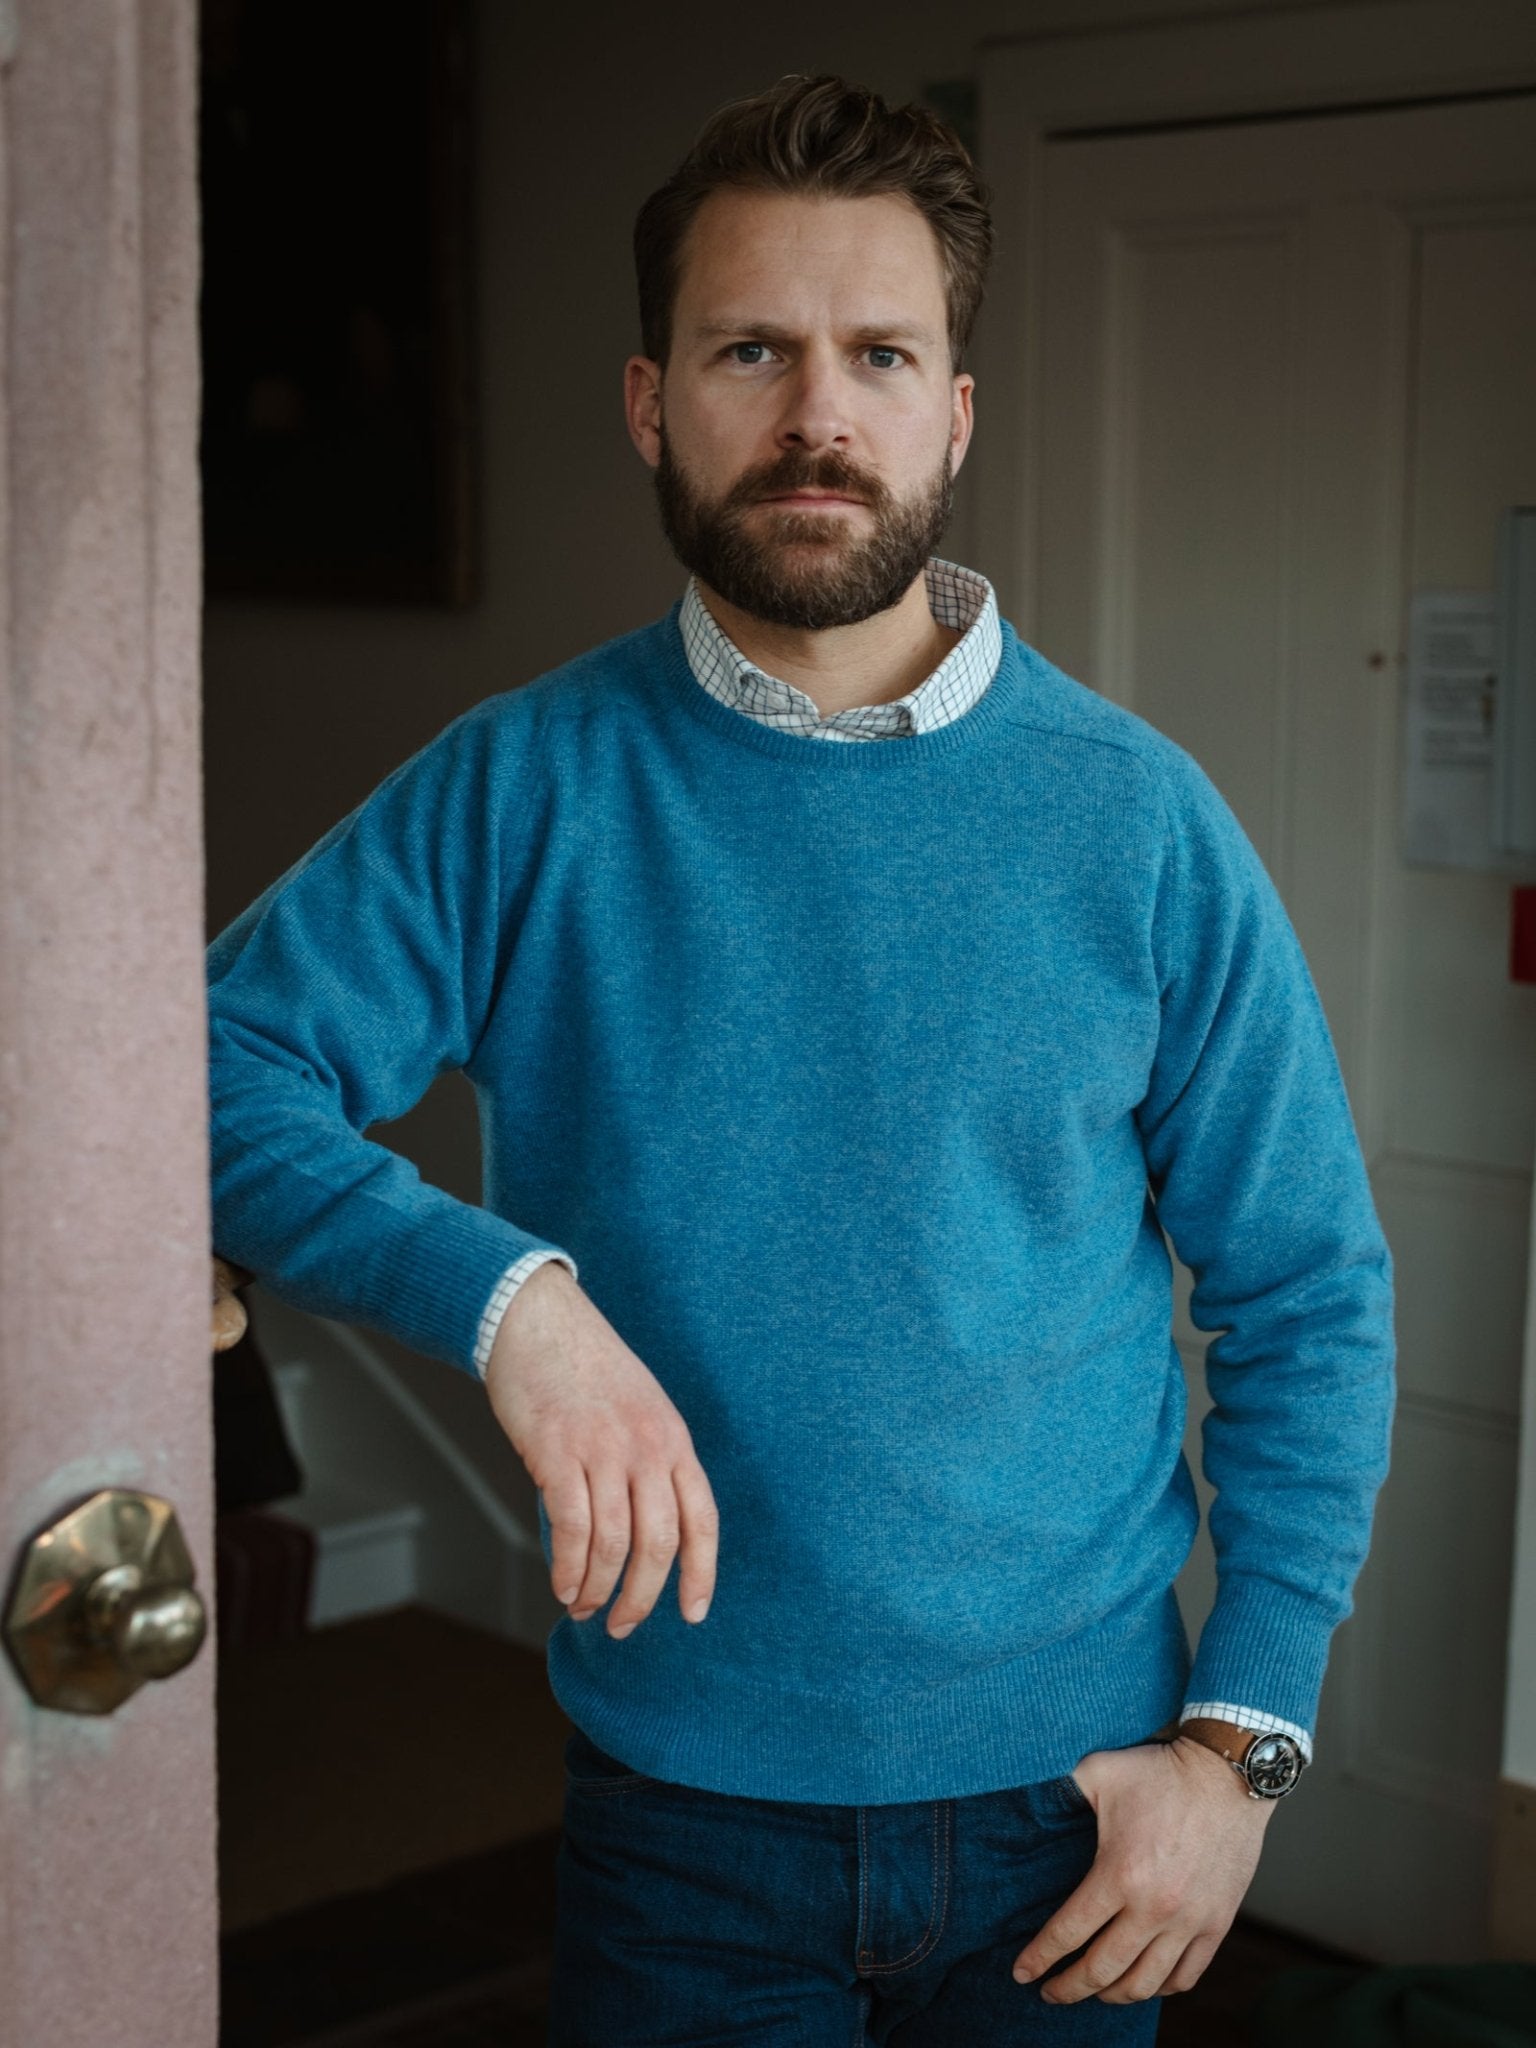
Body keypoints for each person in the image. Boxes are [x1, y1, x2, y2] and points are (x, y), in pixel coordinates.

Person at [206, 73, 1395, 2045]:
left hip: (1081, 1812)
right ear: (650, 402)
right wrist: (511, 1302)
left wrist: (1244, 1747)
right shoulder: (524, 791)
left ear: (956, 413)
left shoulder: (1139, 823)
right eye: (750, 349)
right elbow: (200, 1069)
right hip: (682, 1821)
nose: (817, 415)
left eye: (880, 355)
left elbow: (1308, 1289)